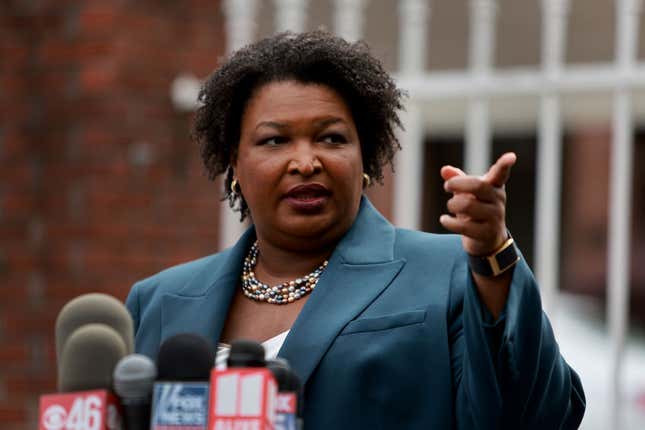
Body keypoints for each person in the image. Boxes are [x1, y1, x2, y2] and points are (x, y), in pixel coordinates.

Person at [126, 31, 585, 429]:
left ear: (365, 159)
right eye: (275, 140)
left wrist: (494, 255)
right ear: (234, 165)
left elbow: (541, 416)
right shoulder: (158, 301)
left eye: (331, 138)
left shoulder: (447, 273)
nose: (306, 161)